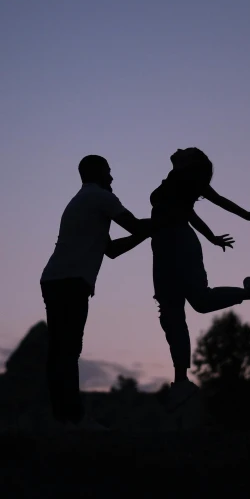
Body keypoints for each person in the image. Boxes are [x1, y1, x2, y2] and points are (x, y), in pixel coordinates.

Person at [151, 147, 250, 410]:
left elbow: (218, 200)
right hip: (163, 248)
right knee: (171, 313)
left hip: (179, 244)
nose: (178, 150)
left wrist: (246, 215)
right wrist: (211, 237)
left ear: (189, 163)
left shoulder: (184, 179)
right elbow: (189, 213)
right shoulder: (175, 183)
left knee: (199, 302)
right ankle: (180, 382)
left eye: (185, 152)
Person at [41, 155, 151, 428]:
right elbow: (135, 226)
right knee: (67, 351)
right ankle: (72, 418)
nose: (112, 178)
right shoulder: (102, 198)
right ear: (99, 173)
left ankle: (63, 417)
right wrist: (159, 223)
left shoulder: (83, 201)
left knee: (60, 351)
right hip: (71, 281)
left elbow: (111, 250)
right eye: (109, 172)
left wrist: (147, 232)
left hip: (56, 279)